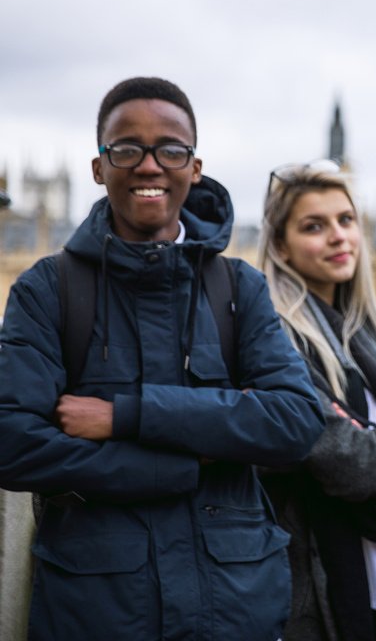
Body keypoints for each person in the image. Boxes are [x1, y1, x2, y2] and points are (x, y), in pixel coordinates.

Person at [0, 76, 325, 640]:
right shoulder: (48, 290)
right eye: (126, 148)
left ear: (194, 168)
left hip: (234, 611)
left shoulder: (236, 288)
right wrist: (179, 462)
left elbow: (294, 422)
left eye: (170, 149)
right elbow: (11, 443)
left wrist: (124, 416)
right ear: (99, 167)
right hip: (98, 614)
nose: (149, 164)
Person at [259, 160, 376, 641]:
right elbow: (344, 461)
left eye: (346, 221)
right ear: (280, 244)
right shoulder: (273, 338)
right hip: (312, 576)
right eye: (314, 226)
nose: (338, 236)